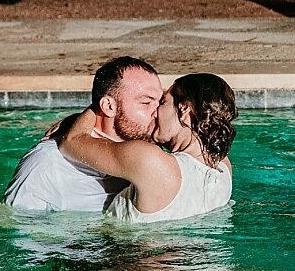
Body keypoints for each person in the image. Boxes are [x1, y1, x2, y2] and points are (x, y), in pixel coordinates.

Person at [53, 72, 236, 224]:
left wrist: (101, 108)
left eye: (163, 102)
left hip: (125, 265)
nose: (155, 110)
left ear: (186, 111)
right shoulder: (223, 167)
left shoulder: (151, 162)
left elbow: (71, 142)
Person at [2, 56, 164, 213]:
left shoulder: (155, 148)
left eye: (160, 102)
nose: (158, 113)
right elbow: (19, 232)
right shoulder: (47, 164)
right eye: (146, 103)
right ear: (109, 106)